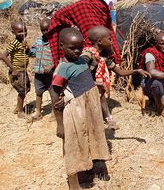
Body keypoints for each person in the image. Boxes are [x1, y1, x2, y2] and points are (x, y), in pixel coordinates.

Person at [51, 27, 110, 189]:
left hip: (89, 108)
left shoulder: (82, 61)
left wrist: (98, 84)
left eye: (80, 47)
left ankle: (89, 169)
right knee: (73, 144)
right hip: (75, 111)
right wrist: (59, 123)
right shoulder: (63, 68)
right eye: (72, 48)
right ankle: (73, 182)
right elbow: (54, 92)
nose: (77, 51)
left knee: (91, 137)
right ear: (61, 46)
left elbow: (84, 81)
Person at [81, 26, 150, 130]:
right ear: (100, 41)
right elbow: (81, 75)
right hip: (84, 87)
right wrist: (98, 83)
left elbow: (119, 72)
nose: (112, 41)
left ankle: (108, 118)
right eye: (109, 39)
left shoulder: (102, 57)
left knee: (101, 96)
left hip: (95, 85)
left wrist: (137, 71)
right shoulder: (87, 55)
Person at [47, 0, 121, 67]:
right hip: (87, 48)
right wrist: (73, 26)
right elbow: (59, 15)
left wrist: (114, 50)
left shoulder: (104, 6)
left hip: (103, 46)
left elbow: (108, 27)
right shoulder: (83, 5)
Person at [0, 21, 31, 119]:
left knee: (26, 89)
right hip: (17, 71)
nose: (23, 33)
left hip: (23, 70)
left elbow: (25, 53)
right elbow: (3, 56)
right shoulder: (14, 43)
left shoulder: (23, 42)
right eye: (19, 32)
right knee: (22, 90)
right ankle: (20, 112)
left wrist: (27, 49)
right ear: (13, 32)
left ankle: (18, 107)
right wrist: (13, 69)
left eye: (24, 31)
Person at [28, 18, 55, 121]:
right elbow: (33, 52)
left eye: (47, 29)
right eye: (42, 30)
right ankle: (38, 112)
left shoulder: (54, 42)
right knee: (38, 92)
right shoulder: (38, 41)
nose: (45, 32)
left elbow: (59, 57)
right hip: (39, 72)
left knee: (53, 93)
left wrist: (52, 66)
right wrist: (28, 50)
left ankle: (54, 112)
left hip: (50, 73)